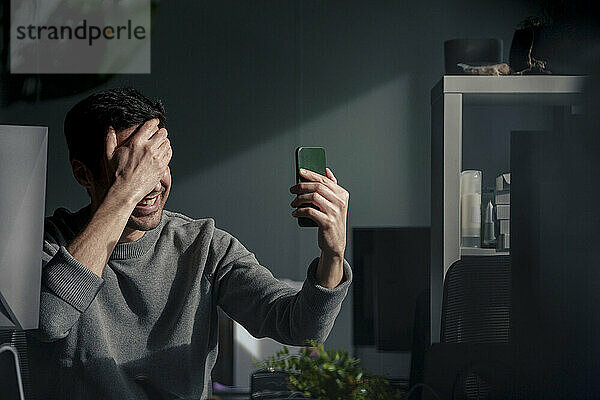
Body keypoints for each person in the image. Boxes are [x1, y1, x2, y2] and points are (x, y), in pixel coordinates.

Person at [28, 88, 352, 400]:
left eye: (157, 163)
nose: (152, 184)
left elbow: (299, 328)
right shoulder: (45, 244)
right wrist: (125, 193)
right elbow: (50, 320)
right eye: (131, 169)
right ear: (83, 174)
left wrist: (333, 254)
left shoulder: (204, 246)